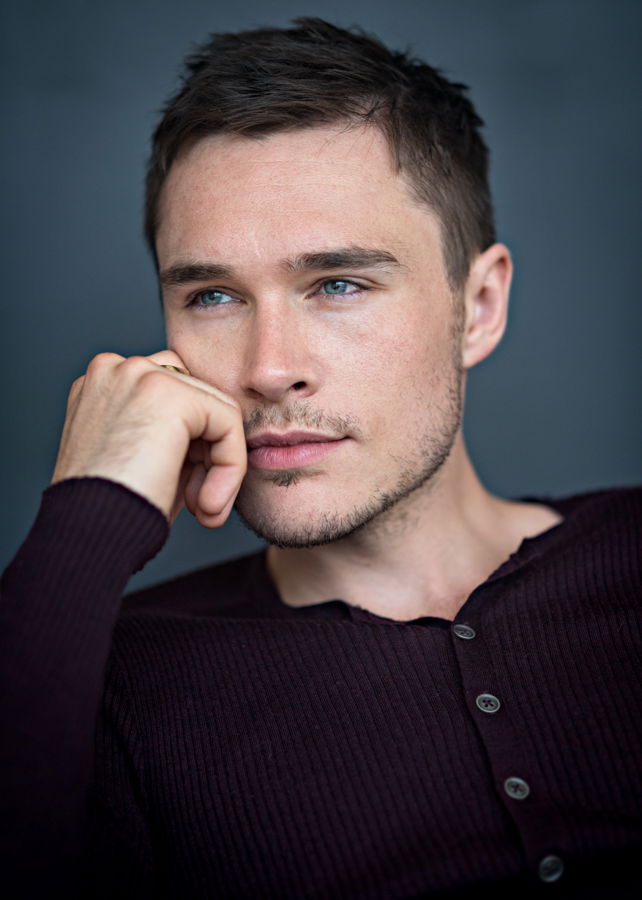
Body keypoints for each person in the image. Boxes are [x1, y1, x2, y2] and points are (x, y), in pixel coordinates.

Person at [1, 16, 640, 900]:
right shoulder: (107, 683)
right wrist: (87, 514)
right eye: (212, 295)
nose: (268, 369)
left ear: (479, 306)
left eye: (339, 284)